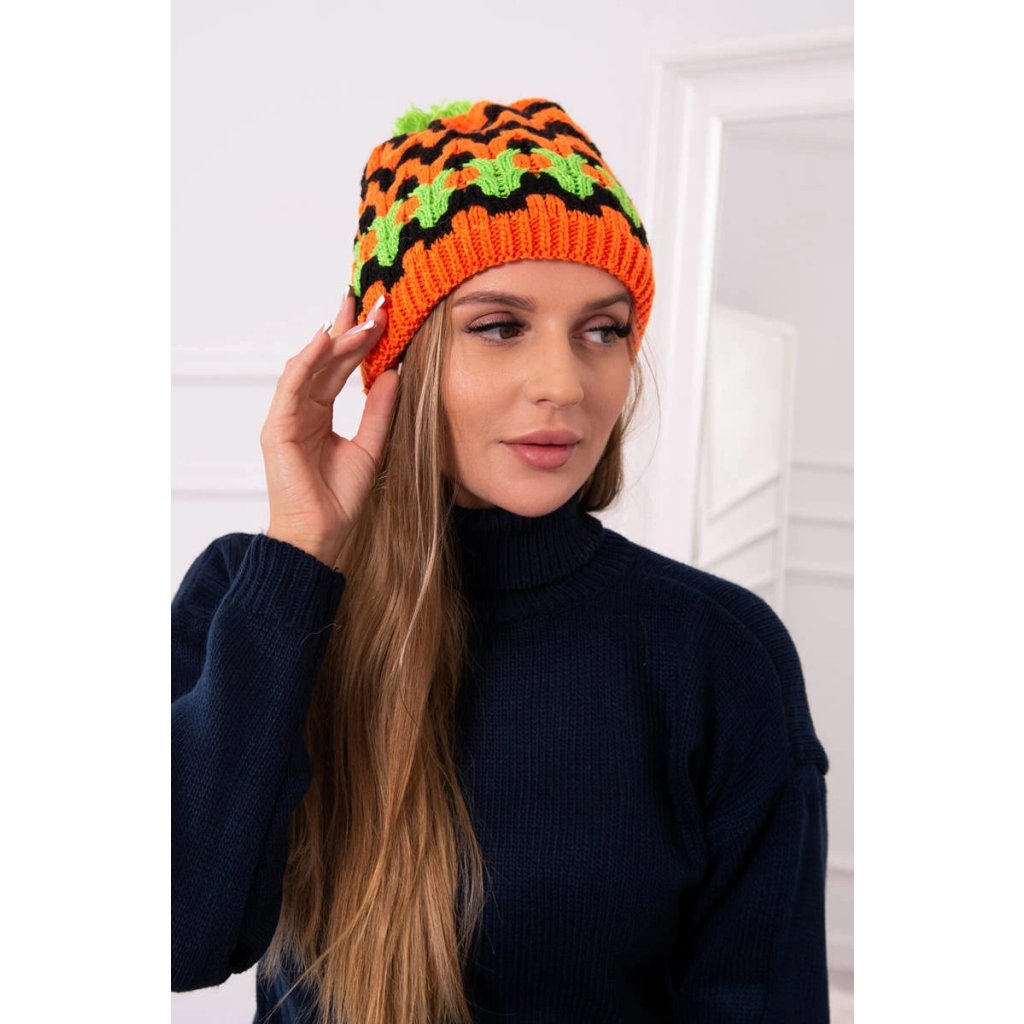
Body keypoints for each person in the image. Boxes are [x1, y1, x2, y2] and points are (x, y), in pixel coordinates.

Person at [172, 97, 831, 1024]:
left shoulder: (719, 653)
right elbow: (178, 937)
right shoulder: (255, 601)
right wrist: (301, 554)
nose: (564, 383)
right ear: (392, 356)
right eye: (499, 326)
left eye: (602, 330)